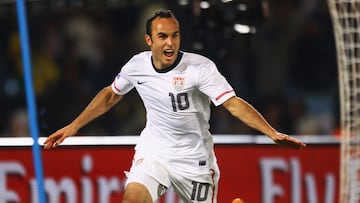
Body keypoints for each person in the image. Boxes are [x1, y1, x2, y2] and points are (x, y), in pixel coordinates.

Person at [44, 9, 306, 203]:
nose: (170, 42)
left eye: (175, 35)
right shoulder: (137, 65)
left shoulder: (200, 67)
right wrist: (73, 126)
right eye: (162, 36)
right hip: (155, 152)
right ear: (149, 40)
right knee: (131, 199)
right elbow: (111, 95)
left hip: (195, 160)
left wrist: (271, 132)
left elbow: (233, 104)